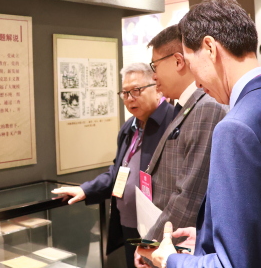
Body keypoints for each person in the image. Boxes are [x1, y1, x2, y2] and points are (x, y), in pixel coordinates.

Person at [139, 0, 261, 268]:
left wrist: (171, 260)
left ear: (209, 48)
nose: (197, 84)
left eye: (191, 64)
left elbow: (233, 265)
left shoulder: (236, 127)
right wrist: (207, 235)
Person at [52, 63, 173, 268]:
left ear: (157, 87)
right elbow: (117, 172)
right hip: (128, 223)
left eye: (136, 90)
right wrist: (86, 189)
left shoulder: (172, 122)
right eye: (125, 93)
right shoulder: (130, 127)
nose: (130, 98)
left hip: (159, 228)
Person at [133, 25, 227, 267]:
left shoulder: (206, 107)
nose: (153, 76)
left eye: (155, 66)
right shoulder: (186, 106)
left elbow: (189, 194)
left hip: (181, 249)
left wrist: (150, 246)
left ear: (178, 61)